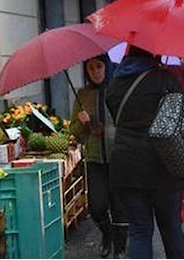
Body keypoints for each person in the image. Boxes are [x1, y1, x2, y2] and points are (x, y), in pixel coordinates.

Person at [105, 46, 184, 259]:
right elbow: (183, 120)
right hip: (164, 165)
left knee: (139, 231)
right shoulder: (165, 81)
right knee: (171, 229)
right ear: (154, 53)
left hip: (126, 166)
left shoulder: (115, 84)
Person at [70, 54, 128, 258]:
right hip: (95, 159)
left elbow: (127, 122)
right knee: (97, 206)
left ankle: (120, 248)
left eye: (99, 66)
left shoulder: (117, 91)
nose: (95, 71)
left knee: (119, 205)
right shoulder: (82, 95)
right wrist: (81, 122)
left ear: (107, 67)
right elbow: (75, 132)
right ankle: (107, 234)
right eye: (91, 68)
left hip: (118, 157)